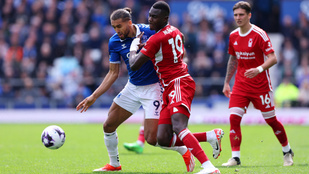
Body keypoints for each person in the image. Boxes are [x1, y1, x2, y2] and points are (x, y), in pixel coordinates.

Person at [76, 7, 196, 172]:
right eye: (113, 27)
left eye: (119, 26)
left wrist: (182, 58)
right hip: (132, 87)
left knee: (153, 139)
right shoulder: (114, 42)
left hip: (154, 88)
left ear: (129, 23)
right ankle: (114, 164)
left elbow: (176, 36)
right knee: (108, 126)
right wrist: (94, 96)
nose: (117, 31)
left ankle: (184, 149)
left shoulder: (149, 31)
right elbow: (113, 72)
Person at [129, 1, 223, 174]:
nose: (150, 19)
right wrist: (149, 50)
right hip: (169, 86)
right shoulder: (175, 31)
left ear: (165, 18)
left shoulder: (156, 38)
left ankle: (209, 167)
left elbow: (134, 64)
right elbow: (172, 52)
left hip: (178, 83)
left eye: (154, 17)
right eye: (149, 15)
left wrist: (134, 48)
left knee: (179, 127)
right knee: (163, 138)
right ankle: (210, 136)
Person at [221, 1, 294, 167]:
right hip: (240, 84)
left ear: (249, 16)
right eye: (235, 15)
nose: (238, 18)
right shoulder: (233, 35)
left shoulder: (259, 34)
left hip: (260, 85)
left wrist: (259, 69)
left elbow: (273, 58)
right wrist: (226, 83)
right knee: (234, 118)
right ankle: (235, 157)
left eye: (241, 15)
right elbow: (233, 59)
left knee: (271, 121)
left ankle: (287, 151)